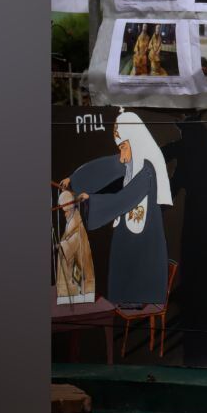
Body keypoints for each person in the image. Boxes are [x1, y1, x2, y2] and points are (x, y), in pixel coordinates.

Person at [58, 111, 174, 306]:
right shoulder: (130, 163)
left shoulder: (147, 170)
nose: (121, 156)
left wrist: (91, 201)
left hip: (144, 244)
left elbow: (125, 199)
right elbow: (104, 167)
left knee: (135, 287)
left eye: (123, 147)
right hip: (129, 237)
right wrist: (74, 179)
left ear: (135, 141)